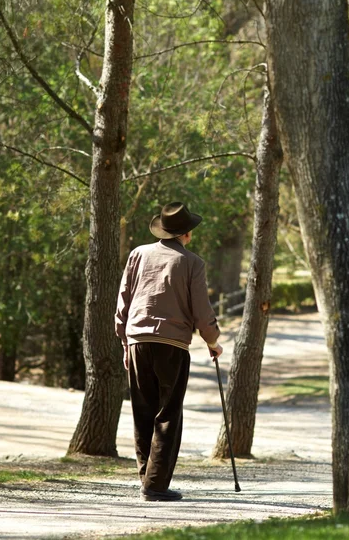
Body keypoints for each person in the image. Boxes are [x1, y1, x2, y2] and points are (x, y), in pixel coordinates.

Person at [115, 201, 223, 502]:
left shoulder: (138, 254)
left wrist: (125, 342)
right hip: (172, 345)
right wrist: (212, 342)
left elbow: (123, 301)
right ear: (186, 234)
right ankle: (155, 485)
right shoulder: (192, 264)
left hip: (137, 340)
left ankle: (147, 480)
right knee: (168, 415)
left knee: (143, 412)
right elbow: (202, 311)